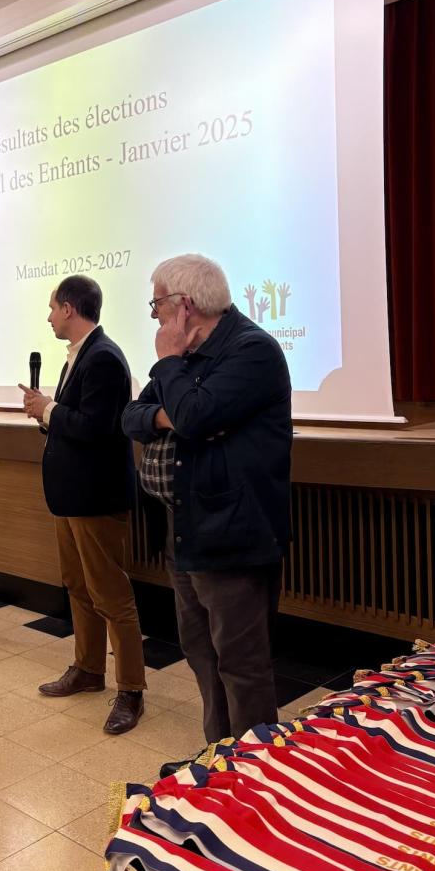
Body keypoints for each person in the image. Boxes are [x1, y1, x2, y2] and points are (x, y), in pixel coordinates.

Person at [122, 254, 292, 774]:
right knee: (201, 655)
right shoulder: (190, 361)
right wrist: (172, 411)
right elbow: (132, 416)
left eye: (156, 304)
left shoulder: (251, 350)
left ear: (183, 305)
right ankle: (222, 763)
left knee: (241, 666)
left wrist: (171, 372)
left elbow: (194, 418)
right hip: (186, 530)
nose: (153, 318)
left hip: (233, 534)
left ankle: (259, 775)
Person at [21, 275, 146, 734]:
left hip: (96, 497)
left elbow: (97, 428)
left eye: (52, 307)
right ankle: (89, 669)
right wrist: (46, 414)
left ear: (71, 308)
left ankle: (131, 689)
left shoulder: (105, 358)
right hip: (71, 495)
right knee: (78, 585)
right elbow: (73, 426)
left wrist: (48, 410)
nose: (49, 316)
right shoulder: (78, 355)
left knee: (112, 595)